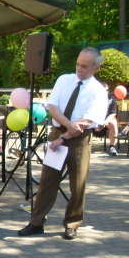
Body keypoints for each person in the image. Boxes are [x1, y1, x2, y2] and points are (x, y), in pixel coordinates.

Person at [18, 48, 108, 240]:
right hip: (58, 132)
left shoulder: (98, 91)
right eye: (78, 64)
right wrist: (67, 126)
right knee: (47, 181)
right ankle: (36, 223)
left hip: (80, 140)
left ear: (96, 68)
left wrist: (65, 136)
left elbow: (87, 121)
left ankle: (72, 224)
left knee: (78, 185)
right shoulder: (64, 80)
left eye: (85, 66)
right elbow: (52, 106)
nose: (79, 69)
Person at [92, 82, 119, 156]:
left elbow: (112, 114)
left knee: (113, 123)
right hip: (95, 119)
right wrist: (97, 122)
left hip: (107, 120)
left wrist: (104, 122)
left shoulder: (111, 99)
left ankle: (112, 147)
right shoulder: (93, 98)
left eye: (106, 90)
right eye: (103, 90)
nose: (105, 92)